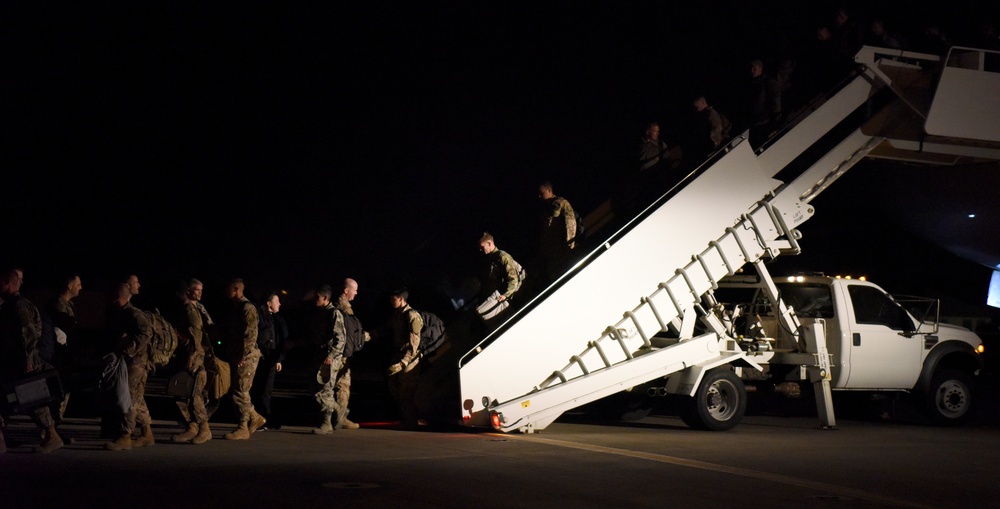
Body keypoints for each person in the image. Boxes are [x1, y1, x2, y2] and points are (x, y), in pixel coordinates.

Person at [0, 267, 65, 454]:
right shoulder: (9, 304)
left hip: (23, 361)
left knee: (31, 398)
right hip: (12, 360)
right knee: (13, 399)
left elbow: (28, 333)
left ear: (6, 282)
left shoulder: (19, 305)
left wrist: (28, 360)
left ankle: (52, 435)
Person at [104, 281, 154, 451]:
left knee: (129, 397)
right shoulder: (118, 313)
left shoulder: (134, 314)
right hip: (128, 361)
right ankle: (147, 434)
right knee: (137, 397)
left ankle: (125, 436)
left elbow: (145, 334)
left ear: (118, 297)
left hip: (136, 362)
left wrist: (128, 350)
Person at [169, 278, 215, 445]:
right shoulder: (184, 308)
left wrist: (192, 357)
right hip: (184, 355)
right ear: (188, 290)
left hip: (193, 356)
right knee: (181, 393)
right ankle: (192, 427)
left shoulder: (190, 309)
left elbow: (196, 336)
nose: (200, 293)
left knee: (195, 393)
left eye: (201, 290)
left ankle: (204, 429)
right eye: (196, 290)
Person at [221, 278, 266, 440]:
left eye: (228, 288)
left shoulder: (247, 308)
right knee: (236, 389)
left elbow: (250, 334)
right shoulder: (236, 308)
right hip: (238, 355)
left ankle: (243, 427)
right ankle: (254, 418)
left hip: (247, 357)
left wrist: (243, 355)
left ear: (236, 289)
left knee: (240, 390)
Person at [311, 284, 354, 433]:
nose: (314, 300)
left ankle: (327, 423)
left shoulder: (334, 314)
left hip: (330, 358)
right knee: (319, 389)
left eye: (317, 297)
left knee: (325, 390)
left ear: (325, 297)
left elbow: (340, 339)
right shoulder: (321, 313)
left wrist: (331, 356)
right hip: (321, 356)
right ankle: (338, 411)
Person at [385, 289, 423, 430]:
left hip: (410, 359)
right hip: (398, 355)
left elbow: (414, 343)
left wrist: (404, 362)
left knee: (406, 390)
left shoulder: (412, 316)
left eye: (393, 299)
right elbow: (387, 328)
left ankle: (411, 421)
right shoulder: (397, 314)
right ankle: (406, 418)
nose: (391, 301)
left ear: (401, 299)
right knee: (395, 387)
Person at [251, 292, 288, 430]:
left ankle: (265, 417)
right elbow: (261, 339)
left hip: (271, 358)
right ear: (268, 303)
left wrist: (278, 359)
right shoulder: (260, 317)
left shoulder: (275, 319)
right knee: (260, 389)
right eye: (276, 301)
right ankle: (261, 419)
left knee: (267, 390)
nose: (279, 304)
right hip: (263, 358)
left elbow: (277, 340)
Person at [475, 232, 524, 322]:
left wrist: (506, 295)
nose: (480, 250)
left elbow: (513, 278)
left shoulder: (502, 257)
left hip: (515, 296)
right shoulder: (491, 259)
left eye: (482, 247)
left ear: (489, 243)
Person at [538, 180, 577, 283]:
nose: (540, 197)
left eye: (542, 194)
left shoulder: (561, 203)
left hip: (563, 250)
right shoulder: (545, 212)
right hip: (553, 254)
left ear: (549, 190)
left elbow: (570, 224)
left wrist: (569, 245)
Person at [746, 59, 783, 148]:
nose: (752, 71)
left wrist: (774, 123)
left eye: (754, 68)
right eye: (751, 68)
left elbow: (776, 105)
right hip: (754, 125)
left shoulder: (769, 83)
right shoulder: (751, 85)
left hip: (765, 124)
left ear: (760, 68)